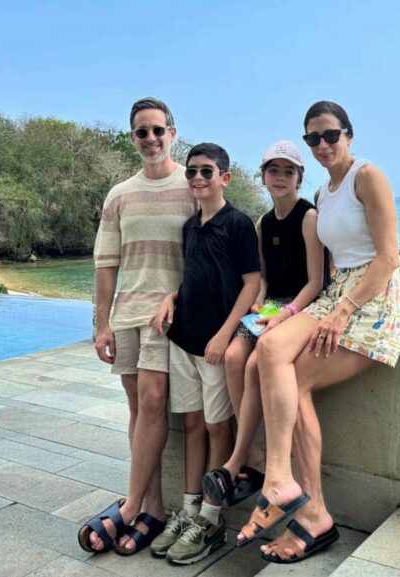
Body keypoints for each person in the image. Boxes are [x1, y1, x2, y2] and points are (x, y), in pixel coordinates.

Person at [236, 101, 400, 563]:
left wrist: (341, 312)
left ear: (348, 134)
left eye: (330, 135)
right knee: (270, 346)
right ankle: (279, 476)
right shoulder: (323, 193)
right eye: (313, 138)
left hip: (373, 297)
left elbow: (389, 257)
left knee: (296, 383)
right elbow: (330, 266)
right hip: (337, 293)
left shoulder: (367, 176)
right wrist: (297, 311)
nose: (322, 145)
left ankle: (312, 514)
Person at [79, 97, 195, 556]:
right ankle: (152, 507)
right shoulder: (120, 194)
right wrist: (100, 323)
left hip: (169, 317)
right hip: (126, 312)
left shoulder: (193, 182)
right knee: (136, 406)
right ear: (133, 138)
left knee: (152, 400)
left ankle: (129, 508)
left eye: (158, 130)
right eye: (142, 132)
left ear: (173, 132)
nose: (151, 138)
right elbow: (106, 263)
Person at [149, 143, 261, 565]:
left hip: (215, 344)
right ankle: (191, 509)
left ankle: (213, 519)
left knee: (218, 427)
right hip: (183, 338)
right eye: (192, 172)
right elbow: (194, 276)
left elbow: (251, 283)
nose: (198, 179)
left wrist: (225, 335)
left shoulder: (238, 224)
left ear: (224, 178)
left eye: (206, 172)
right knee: (193, 423)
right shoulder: (189, 227)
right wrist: (170, 297)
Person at [200, 140, 325, 510]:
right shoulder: (262, 222)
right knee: (235, 355)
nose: (280, 177)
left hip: (301, 306)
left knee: (257, 363)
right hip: (271, 305)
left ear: (299, 177)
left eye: (289, 171)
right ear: (264, 177)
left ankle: (238, 458)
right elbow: (266, 278)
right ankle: (252, 450)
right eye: (274, 170)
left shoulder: (309, 217)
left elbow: (316, 282)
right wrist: (259, 303)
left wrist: (283, 314)